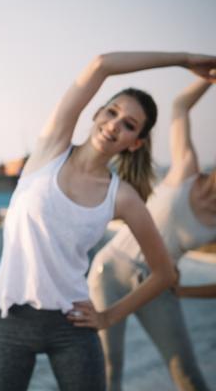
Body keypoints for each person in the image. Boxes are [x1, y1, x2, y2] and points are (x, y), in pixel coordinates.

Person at [0, 52, 216, 391]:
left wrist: (108, 316)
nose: (114, 125)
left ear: (134, 142)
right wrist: (182, 60)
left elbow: (164, 272)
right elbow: (101, 65)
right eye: (112, 112)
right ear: (96, 113)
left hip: (73, 325)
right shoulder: (51, 147)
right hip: (9, 317)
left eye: (128, 125)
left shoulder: (122, 196)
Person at [89, 77, 216, 391]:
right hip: (109, 271)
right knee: (107, 371)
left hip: (158, 285)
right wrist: (211, 74)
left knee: (187, 374)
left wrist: (184, 292)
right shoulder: (186, 169)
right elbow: (180, 106)